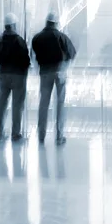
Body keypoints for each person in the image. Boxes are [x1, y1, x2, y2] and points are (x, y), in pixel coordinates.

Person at [32, 12, 76, 145]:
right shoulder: (61, 36)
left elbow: (33, 54)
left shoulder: (37, 38)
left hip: (44, 72)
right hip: (60, 71)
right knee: (60, 104)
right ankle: (59, 136)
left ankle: (41, 136)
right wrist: (65, 64)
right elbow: (72, 53)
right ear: (56, 23)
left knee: (43, 104)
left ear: (46, 23)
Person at [0, 13, 30, 143]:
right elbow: (26, 59)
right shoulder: (19, 40)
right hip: (18, 76)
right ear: (14, 25)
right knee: (17, 105)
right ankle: (15, 135)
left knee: (1, 105)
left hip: (3, 75)